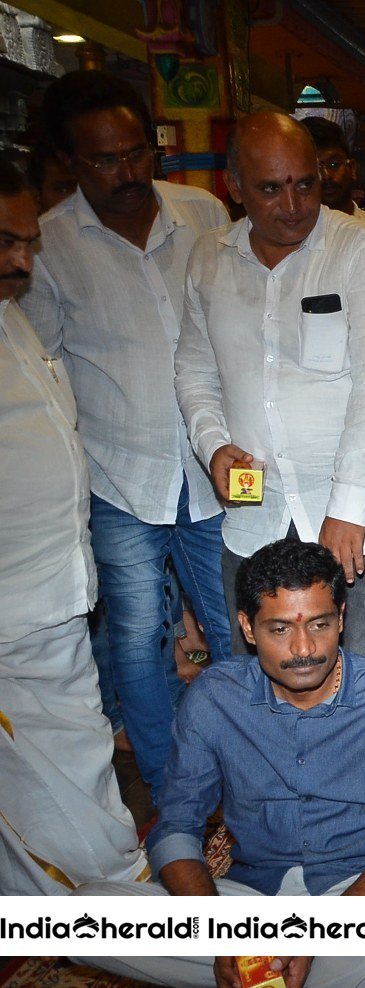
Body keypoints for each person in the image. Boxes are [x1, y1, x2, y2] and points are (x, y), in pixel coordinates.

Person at [72, 539, 365, 988]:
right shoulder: (215, 696)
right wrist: (222, 936)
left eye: (320, 624)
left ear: (342, 618)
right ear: (247, 627)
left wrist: (318, 937)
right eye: (280, 629)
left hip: (351, 895)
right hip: (250, 903)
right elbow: (176, 827)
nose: (305, 648)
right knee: (82, 916)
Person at [21, 70, 233, 804]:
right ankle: (175, 782)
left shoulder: (204, 215)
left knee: (235, 622)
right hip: (117, 478)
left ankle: (248, 765)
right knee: (138, 640)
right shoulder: (47, 245)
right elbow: (41, 370)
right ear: (72, 163)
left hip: (215, 470)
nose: (126, 172)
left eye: (136, 152)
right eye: (104, 159)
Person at [176, 113, 365, 666]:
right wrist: (212, 446)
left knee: (363, 680)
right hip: (254, 514)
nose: (292, 205)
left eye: (304, 183)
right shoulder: (209, 258)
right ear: (234, 189)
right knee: (263, 681)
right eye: (270, 189)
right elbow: (194, 369)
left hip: (357, 520)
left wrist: (349, 504)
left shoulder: (359, 250)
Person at [0, 160, 147, 895]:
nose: (20, 261)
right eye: (3, 241)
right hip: (12, 621)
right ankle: (219, 968)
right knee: (81, 836)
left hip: (55, 596)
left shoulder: (11, 316)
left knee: (54, 786)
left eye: (27, 242)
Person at [300, 115, 365, 220]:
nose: (326, 175)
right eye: (315, 167)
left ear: (352, 168)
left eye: (333, 165)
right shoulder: (295, 234)